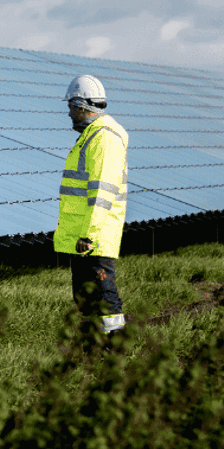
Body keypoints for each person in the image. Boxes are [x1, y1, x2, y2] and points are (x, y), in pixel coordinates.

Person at [55, 75, 129, 336]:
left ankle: (115, 351)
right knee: (85, 297)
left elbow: (102, 192)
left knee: (104, 296)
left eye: (70, 107)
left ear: (81, 105)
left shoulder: (104, 138)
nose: (69, 113)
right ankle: (91, 348)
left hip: (93, 236)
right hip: (83, 235)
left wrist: (89, 233)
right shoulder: (93, 135)